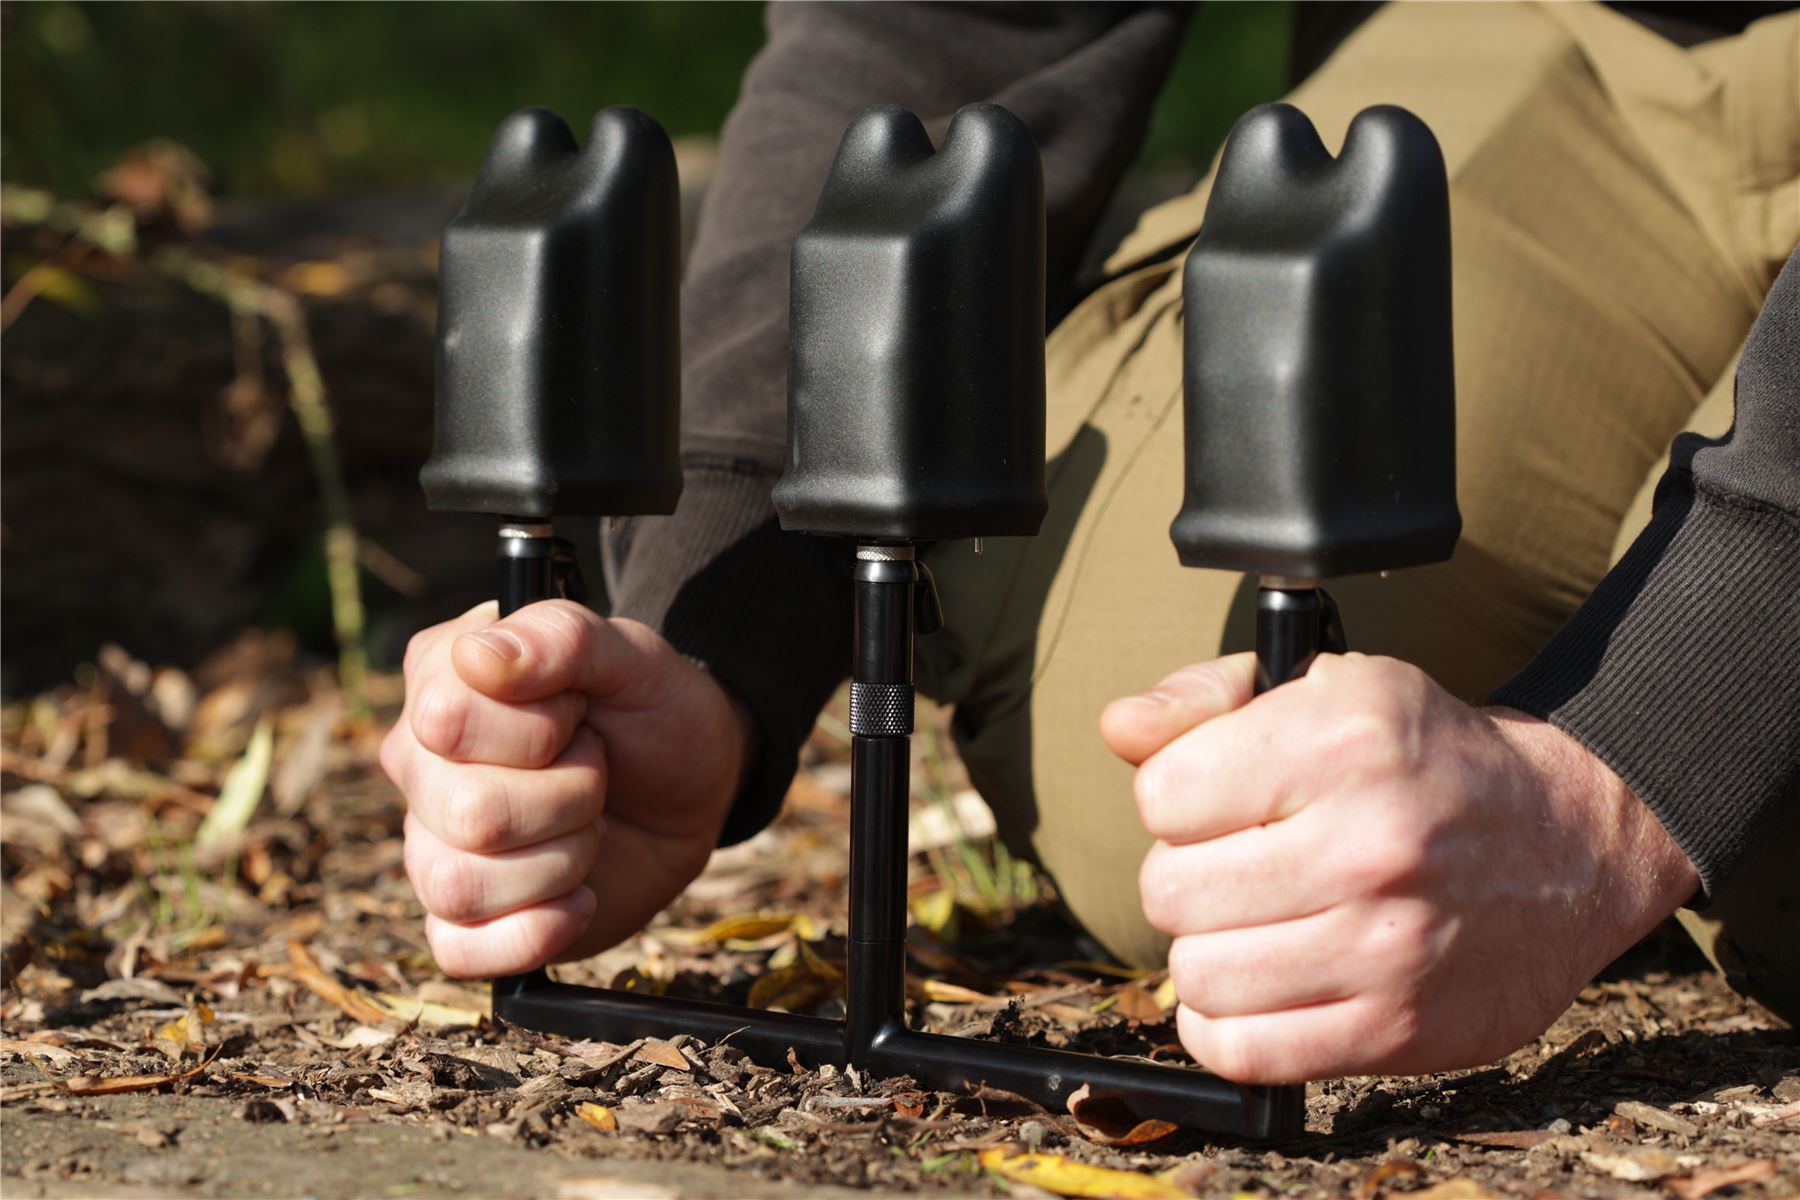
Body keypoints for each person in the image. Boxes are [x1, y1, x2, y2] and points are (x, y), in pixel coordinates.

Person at [380, 1, 1800, 1083]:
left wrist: (1625, 772)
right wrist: (714, 635)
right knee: (1207, 800)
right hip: (1595, 43)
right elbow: (942, 26)